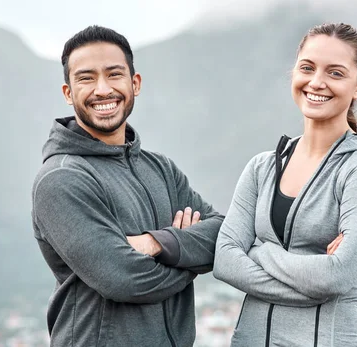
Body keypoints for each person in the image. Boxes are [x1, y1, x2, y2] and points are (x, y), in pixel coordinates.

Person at [31, 25, 223, 347]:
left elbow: (221, 233)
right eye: (86, 78)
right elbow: (125, 280)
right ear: (68, 93)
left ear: (135, 83)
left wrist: (156, 244)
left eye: (114, 74)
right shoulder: (62, 179)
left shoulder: (160, 168)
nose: (102, 89)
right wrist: (189, 255)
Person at [213, 23, 357, 347]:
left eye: (335, 73)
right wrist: (313, 279)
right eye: (307, 68)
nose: (316, 82)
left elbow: (337, 275)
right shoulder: (262, 167)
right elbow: (225, 260)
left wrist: (260, 251)